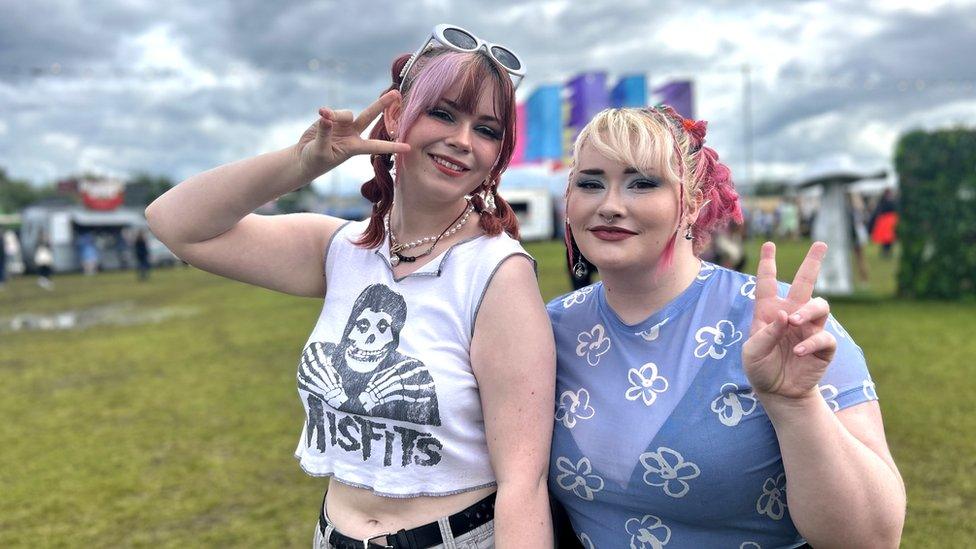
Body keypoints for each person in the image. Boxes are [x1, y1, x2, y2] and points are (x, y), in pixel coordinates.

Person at [146, 23, 554, 549]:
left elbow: (524, 483)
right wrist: (305, 163)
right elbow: (174, 224)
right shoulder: (341, 249)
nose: (461, 140)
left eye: (487, 129)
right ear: (395, 115)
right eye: (443, 113)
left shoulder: (498, 272)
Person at [548, 107, 905, 548]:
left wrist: (795, 404)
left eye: (643, 182)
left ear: (693, 202)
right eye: (590, 183)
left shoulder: (780, 324)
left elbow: (872, 538)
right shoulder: (549, 329)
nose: (610, 205)